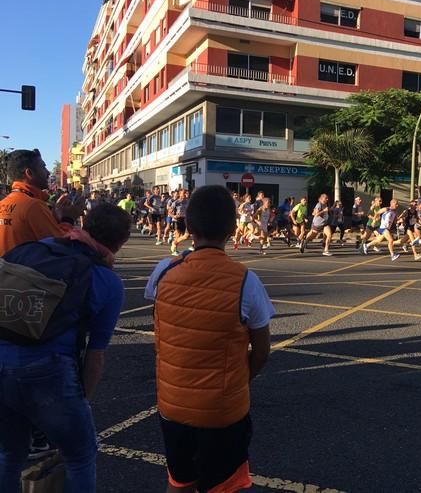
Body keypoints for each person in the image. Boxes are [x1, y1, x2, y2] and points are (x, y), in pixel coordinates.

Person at [145, 185, 274, 493]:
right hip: (221, 411)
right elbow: (262, 349)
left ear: (188, 227)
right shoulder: (245, 280)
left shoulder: (163, 271)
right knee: (222, 487)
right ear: (232, 229)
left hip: (173, 405)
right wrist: (241, 379)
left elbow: (161, 324)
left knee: (179, 481)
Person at [0, 204, 131, 492]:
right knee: (80, 455)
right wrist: (80, 401)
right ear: (120, 243)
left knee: (9, 455)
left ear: (85, 224)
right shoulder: (108, 282)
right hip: (50, 371)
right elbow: (95, 355)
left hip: (2, 358)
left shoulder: (43, 247)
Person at [0, 149, 83, 257]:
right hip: (26, 272)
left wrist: (54, 218)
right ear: (29, 173)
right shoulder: (33, 206)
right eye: (43, 167)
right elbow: (60, 246)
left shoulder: (3, 203)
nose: (48, 173)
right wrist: (68, 219)